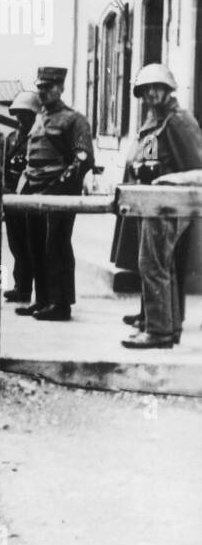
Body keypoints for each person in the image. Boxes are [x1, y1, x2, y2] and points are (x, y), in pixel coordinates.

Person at [119, 65, 202, 349]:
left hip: (169, 203)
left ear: (168, 90)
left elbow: (198, 168)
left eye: (157, 88)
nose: (151, 94)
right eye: (145, 90)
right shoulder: (155, 120)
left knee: (153, 263)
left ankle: (158, 332)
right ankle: (163, 323)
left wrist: (168, 178)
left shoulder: (178, 120)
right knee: (156, 263)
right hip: (151, 202)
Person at [16, 66, 93, 322]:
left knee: (56, 246)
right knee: (35, 245)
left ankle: (61, 304)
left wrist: (61, 186)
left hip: (58, 192)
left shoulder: (74, 120)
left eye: (49, 88)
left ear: (60, 88)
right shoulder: (39, 118)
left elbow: (83, 158)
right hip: (33, 190)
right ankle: (43, 299)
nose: (44, 92)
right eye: (40, 88)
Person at [2, 91, 40, 304]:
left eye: (27, 114)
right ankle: (19, 286)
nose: (23, 119)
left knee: (29, 245)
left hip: (29, 195)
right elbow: (4, 167)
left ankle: (27, 289)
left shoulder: (38, 138)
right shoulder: (11, 138)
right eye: (19, 114)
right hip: (11, 197)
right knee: (15, 245)